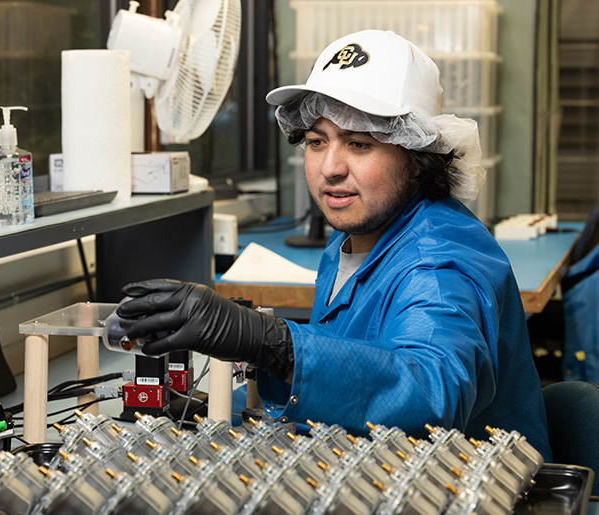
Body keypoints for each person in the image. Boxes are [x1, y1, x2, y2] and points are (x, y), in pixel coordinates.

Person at [117, 30, 552, 460]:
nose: (330, 168)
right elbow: (349, 378)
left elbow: (430, 392)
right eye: (316, 142)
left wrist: (271, 343)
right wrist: (216, 414)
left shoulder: (438, 264)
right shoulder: (350, 241)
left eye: (359, 144)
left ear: (417, 160)